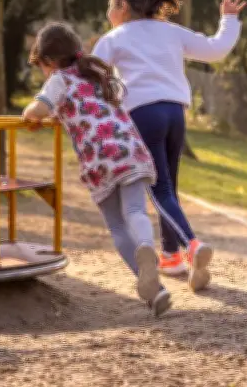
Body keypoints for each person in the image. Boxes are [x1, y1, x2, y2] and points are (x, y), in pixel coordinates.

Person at [91, 0, 246, 291]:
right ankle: (172, 256)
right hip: (175, 114)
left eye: (110, 5)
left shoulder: (113, 38)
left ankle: (192, 244)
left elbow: (93, 78)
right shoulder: (171, 31)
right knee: (168, 187)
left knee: (158, 189)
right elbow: (216, 50)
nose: (107, 12)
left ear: (122, 6)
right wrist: (228, 19)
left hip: (143, 115)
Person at [23, 22, 172, 317]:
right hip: (129, 148)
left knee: (117, 226)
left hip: (99, 160)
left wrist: (30, 114)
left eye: (42, 65)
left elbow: (38, 110)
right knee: (136, 212)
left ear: (50, 61)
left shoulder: (59, 80)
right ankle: (146, 249)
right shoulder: (98, 74)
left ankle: (155, 291)